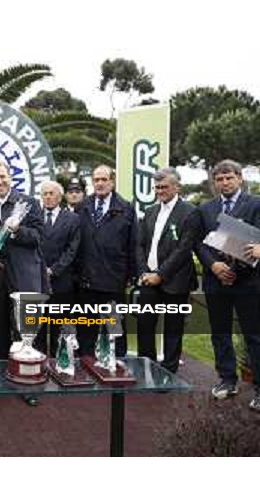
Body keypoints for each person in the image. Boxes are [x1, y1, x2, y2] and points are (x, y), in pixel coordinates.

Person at [196, 160, 260, 411]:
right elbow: (198, 242)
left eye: (229, 178)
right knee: (219, 332)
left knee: (254, 336)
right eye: (220, 179)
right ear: (215, 182)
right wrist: (213, 266)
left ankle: (259, 388)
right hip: (217, 281)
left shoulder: (256, 204)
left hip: (250, 282)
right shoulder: (205, 209)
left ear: (240, 178)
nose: (224, 182)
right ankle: (227, 380)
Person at [0, 160, 46, 359]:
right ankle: (0, 376)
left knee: (27, 331)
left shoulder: (28, 203)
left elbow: (38, 237)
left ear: (10, 178)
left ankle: (28, 375)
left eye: (2, 177)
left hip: (22, 277)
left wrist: (16, 231)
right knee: (0, 331)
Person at [136, 168, 200, 373]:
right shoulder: (150, 211)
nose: (160, 191)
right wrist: (144, 272)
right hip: (148, 279)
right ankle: (147, 367)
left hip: (176, 281)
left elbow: (184, 249)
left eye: (164, 187)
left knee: (173, 329)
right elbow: (140, 245)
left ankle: (168, 372)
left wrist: (160, 275)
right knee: (144, 325)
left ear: (177, 187)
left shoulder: (190, 212)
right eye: (157, 188)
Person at [76, 164, 138, 357]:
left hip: (114, 280)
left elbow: (133, 244)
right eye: (96, 180)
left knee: (114, 328)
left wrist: (131, 275)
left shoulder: (126, 208)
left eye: (104, 180)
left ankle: (117, 369)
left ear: (112, 181)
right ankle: (87, 367)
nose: (100, 184)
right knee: (87, 329)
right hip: (85, 282)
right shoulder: (82, 207)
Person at [33, 181, 81, 355]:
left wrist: (54, 269)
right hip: (36, 281)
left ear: (60, 197)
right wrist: (39, 269)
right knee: (37, 328)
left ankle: (55, 364)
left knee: (57, 328)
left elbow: (72, 249)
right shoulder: (34, 217)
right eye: (44, 194)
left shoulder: (73, 219)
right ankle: (37, 364)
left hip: (61, 281)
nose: (47, 197)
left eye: (51, 193)